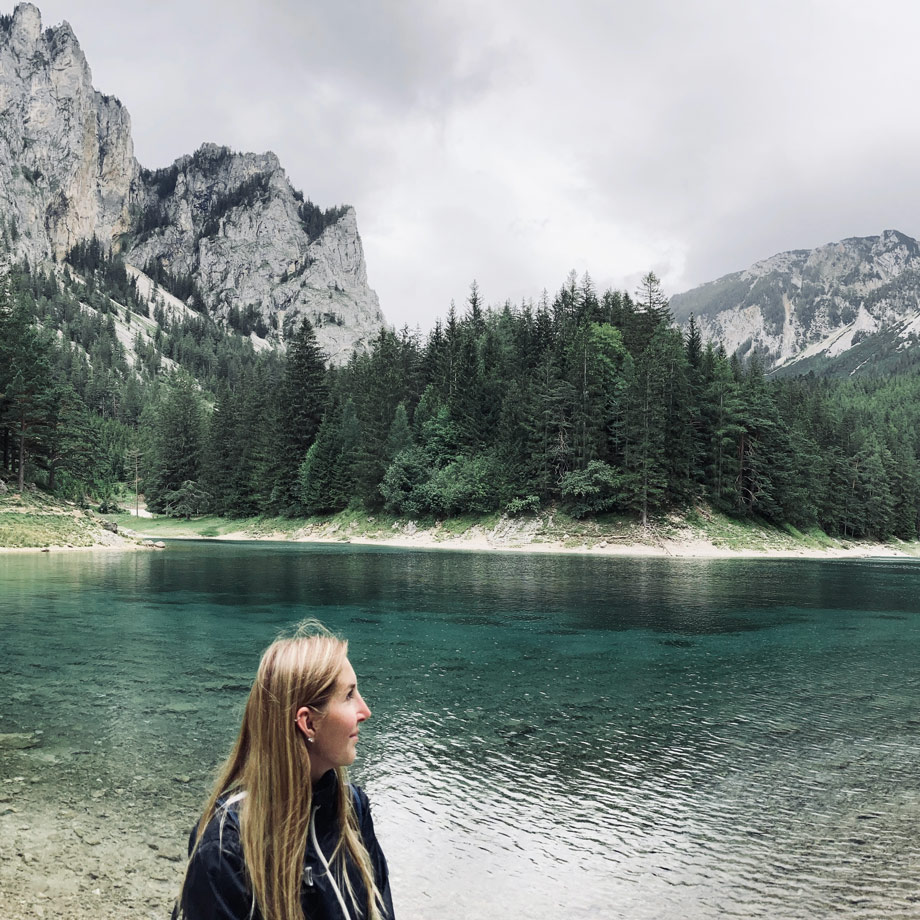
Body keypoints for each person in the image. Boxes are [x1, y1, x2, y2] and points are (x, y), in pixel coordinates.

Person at [173, 621, 394, 920]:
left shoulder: (354, 810)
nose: (365, 711)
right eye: (349, 695)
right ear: (308, 723)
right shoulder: (225, 849)